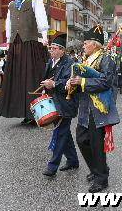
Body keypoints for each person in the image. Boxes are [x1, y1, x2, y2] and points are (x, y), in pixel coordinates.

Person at [66, 25, 120, 193]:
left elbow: (106, 82)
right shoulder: (86, 61)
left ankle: (101, 178)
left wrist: (82, 82)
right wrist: (71, 83)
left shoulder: (106, 60)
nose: (83, 45)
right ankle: (98, 169)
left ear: (95, 44)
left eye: (86, 42)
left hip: (98, 109)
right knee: (82, 140)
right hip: (84, 108)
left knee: (97, 145)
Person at [0, 0, 50, 124]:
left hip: (31, 43)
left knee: (32, 79)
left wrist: (44, 37)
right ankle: (23, 113)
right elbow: (9, 23)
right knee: (18, 80)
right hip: (16, 44)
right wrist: (8, 41)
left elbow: (41, 19)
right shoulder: (12, 4)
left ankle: (36, 113)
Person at [40, 34, 79, 177]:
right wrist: (45, 88)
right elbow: (47, 78)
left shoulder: (70, 64)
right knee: (65, 133)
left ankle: (52, 166)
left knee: (60, 133)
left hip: (66, 103)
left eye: (55, 49)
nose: (52, 51)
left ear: (62, 51)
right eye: (51, 48)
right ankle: (73, 160)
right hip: (53, 102)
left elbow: (70, 84)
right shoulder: (50, 62)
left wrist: (54, 84)